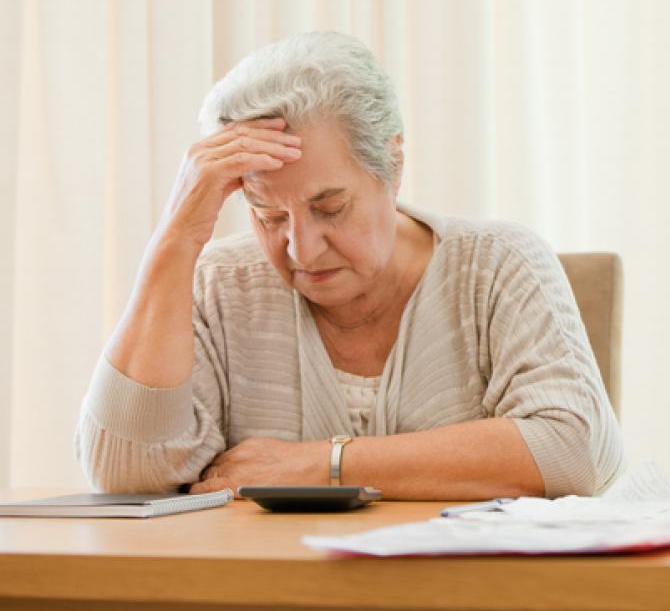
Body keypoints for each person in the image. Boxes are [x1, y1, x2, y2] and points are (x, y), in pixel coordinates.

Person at [76, 31, 624, 499]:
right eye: (269, 216)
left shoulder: (498, 264)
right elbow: (124, 473)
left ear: (393, 165)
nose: (302, 250)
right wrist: (176, 239)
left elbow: (574, 450)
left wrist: (321, 465)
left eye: (329, 208)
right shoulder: (218, 283)